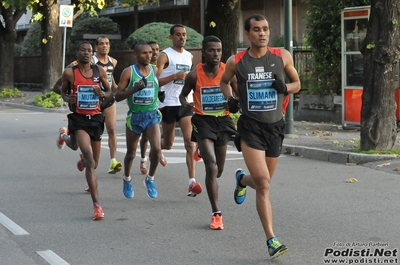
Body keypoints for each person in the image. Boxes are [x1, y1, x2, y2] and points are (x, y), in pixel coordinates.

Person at [220, 14, 301, 259]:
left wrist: (285, 88)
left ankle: (242, 181)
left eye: (265, 29)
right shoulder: (236, 61)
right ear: (248, 34)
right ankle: (271, 240)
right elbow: (224, 82)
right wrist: (230, 100)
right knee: (264, 183)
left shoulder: (282, 56)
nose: (262, 33)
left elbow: (297, 83)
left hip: (275, 127)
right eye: (256, 30)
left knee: (262, 182)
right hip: (251, 128)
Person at [179, 35, 237, 230]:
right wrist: (185, 104)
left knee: (219, 170)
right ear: (204, 52)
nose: (216, 54)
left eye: (219, 50)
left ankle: (202, 151)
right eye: (212, 50)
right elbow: (183, 94)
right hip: (203, 121)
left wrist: (235, 103)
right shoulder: (194, 74)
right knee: (210, 167)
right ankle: (216, 213)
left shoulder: (227, 72)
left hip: (223, 121)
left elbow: (237, 95)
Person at [58, 41, 113, 220]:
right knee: (90, 160)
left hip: (96, 119)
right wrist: (68, 97)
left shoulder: (99, 71)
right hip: (79, 119)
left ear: (93, 53)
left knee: (93, 163)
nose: (87, 53)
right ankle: (97, 205)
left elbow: (110, 92)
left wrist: (102, 94)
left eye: (89, 50)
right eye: (83, 50)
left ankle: (65, 136)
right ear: (77, 52)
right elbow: (58, 88)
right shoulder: (70, 72)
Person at [55, 36, 122, 175]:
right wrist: (69, 98)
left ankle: (112, 160)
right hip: (83, 109)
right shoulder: (80, 64)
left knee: (111, 129)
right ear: (96, 47)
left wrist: (111, 91)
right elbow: (59, 86)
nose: (105, 46)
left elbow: (110, 81)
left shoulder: (113, 61)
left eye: (107, 43)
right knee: (75, 145)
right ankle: (64, 136)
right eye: (102, 44)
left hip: (104, 100)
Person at [156, 24, 202, 197]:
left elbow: (189, 80)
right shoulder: (165, 55)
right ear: (171, 37)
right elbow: (156, 80)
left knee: (189, 143)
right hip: (167, 103)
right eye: (178, 35)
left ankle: (192, 181)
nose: (182, 37)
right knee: (167, 144)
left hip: (184, 101)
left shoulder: (189, 56)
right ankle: (155, 146)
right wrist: (175, 76)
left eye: (184, 35)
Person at [114, 42, 162, 199]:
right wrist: (135, 89)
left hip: (151, 115)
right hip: (135, 116)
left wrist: (160, 95)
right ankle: (127, 178)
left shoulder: (154, 70)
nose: (148, 55)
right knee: (131, 153)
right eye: (144, 53)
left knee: (156, 149)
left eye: (150, 53)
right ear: (135, 55)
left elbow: (156, 87)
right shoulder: (129, 72)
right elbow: (117, 95)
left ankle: (150, 179)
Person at [139, 41, 160, 175]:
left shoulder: (157, 68)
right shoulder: (134, 70)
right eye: (150, 51)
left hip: (154, 109)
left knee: (156, 142)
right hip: (139, 111)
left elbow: (159, 84)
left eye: (155, 50)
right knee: (145, 137)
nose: (153, 53)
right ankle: (142, 158)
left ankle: (157, 152)